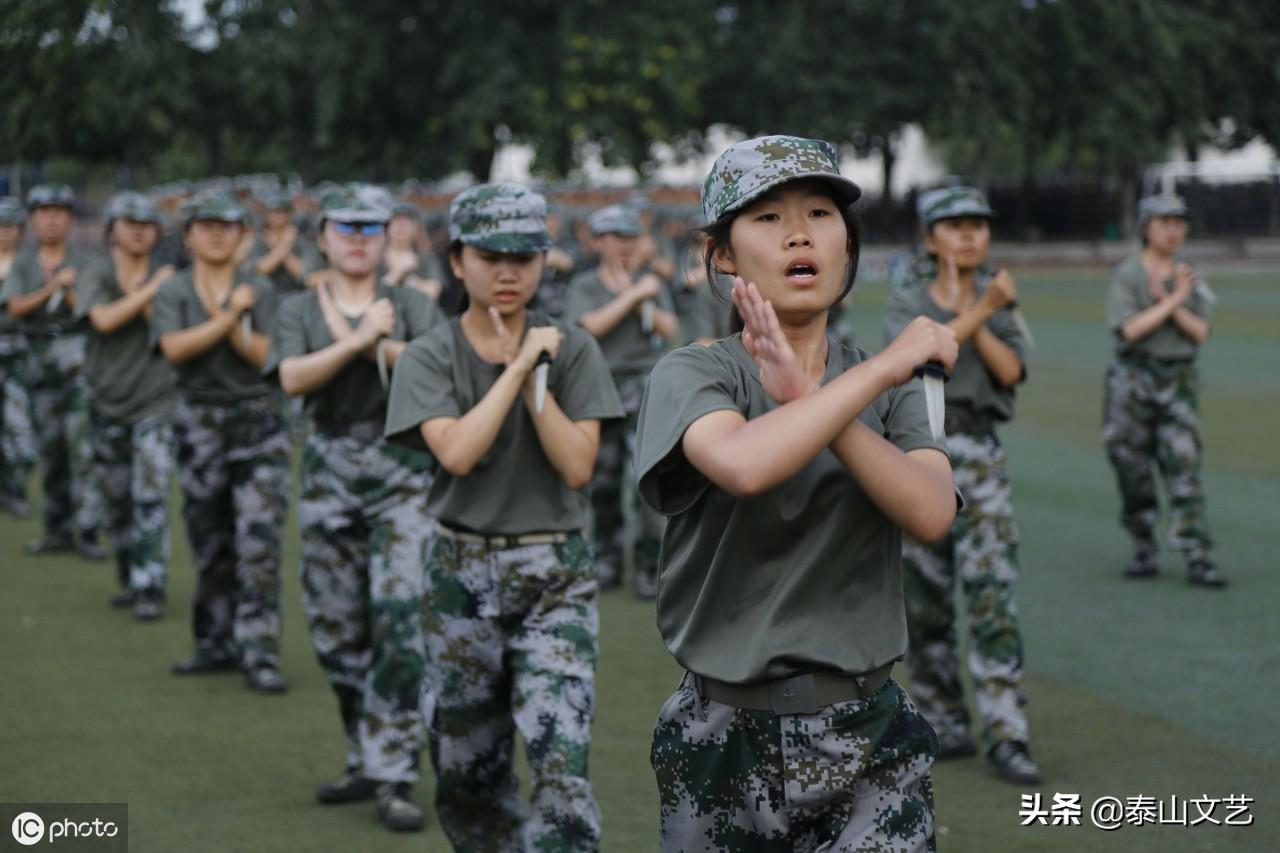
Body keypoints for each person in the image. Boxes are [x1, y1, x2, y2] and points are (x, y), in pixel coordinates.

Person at [635, 136, 959, 852]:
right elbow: (745, 464)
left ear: (847, 246)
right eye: (766, 217)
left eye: (820, 211)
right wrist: (862, 384)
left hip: (872, 731)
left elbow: (931, 511)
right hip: (724, 741)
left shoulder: (893, 382)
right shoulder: (695, 374)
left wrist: (819, 396)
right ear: (721, 254)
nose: (799, 232)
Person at [385, 183, 622, 851]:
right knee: (469, 773)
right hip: (461, 570)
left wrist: (535, 376)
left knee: (560, 763)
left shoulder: (572, 349)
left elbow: (577, 467)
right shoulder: (432, 353)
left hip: (555, 574)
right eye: (491, 255)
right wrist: (518, 366)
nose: (510, 271)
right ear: (458, 262)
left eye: (526, 255)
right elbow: (457, 452)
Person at [268, 184, 442, 832]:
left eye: (372, 226)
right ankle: (363, 753)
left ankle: (394, 773)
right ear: (323, 236)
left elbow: (431, 371)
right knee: (336, 629)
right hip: (327, 471)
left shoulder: (409, 303)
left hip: (402, 472)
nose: (360, 237)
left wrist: (372, 340)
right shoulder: (297, 307)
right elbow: (291, 377)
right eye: (347, 226)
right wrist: (356, 340)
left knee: (399, 622)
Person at [883, 186, 1042, 785]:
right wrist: (979, 309)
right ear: (929, 239)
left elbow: (1011, 370)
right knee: (924, 599)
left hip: (980, 454)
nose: (970, 235)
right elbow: (928, 359)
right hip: (921, 452)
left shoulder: (999, 304)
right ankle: (943, 720)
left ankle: (1007, 732)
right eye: (954, 225)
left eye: (979, 224)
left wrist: (981, 309)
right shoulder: (909, 302)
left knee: (992, 595)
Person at [151, 190, 290, 694]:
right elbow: (175, 350)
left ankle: (259, 651)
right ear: (188, 236)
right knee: (209, 541)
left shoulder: (264, 290)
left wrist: (235, 319)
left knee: (259, 543)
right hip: (199, 421)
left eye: (228, 225)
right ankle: (213, 642)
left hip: (259, 423)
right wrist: (230, 318)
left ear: (243, 236)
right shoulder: (174, 290)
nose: (216, 233)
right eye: (206, 224)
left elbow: (267, 358)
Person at [1103, 193, 1223, 587]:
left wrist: (1172, 301)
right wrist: (1171, 301)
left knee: (1184, 465)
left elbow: (1200, 331)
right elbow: (1130, 330)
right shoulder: (1127, 274)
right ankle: (1142, 546)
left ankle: (1197, 554)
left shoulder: (1189, 276)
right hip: (1132, 380)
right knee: (1131, 467)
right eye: (1164, 221)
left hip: (1178, 379)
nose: (1173, 230)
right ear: (1145, 228)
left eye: (1179, 222)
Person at [566, 204, 678, 598]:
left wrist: (642, 293)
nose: (625, 246)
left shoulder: (650, 283)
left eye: (631, 237)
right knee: (603, 484)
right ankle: (607, 561)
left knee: (646, 481)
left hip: (646, 390)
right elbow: (588, 328)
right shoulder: (586, 286)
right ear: (598, 243)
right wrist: (632, 296)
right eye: (616, 237)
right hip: (601, 390)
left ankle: (649, 566)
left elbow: (669, 328)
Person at [78, 192, 178, 620]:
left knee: (150, 494)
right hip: (107, 400)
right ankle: (128, 573)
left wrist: (150, 290)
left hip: (157, 401)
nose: (138, 229)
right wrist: (147, 291)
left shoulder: (171, 278)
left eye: (146, 223)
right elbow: (102, 320)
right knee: (116, 499)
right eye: (128, 222)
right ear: (112, 229)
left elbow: (166, 331)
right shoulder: (96, 272)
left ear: (157, 232)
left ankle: (150, 584)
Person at [0, 184, 106, 558]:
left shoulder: (87, 259)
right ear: (33, 219)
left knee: (83, 446)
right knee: (51, 448)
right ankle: (57, 529)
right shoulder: (25, 262)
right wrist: (51, 286)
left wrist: (71, 288)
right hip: (37, 360)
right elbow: (15, 308)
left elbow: (93, 312)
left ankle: (89, 529)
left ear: (70, 218)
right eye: (44, 212)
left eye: (59, 212)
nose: (51, 219)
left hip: (79, 359)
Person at [0, 196, 36, 518]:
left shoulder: (30, 265)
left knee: (20, 430)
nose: (3, 232)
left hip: (20, 356)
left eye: (9, 226)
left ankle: (16, 491)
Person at [382, 201, 445, 300]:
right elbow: (372, 294)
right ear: (387, 226)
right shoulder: (375, 256)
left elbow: (433, 293)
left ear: (415, 228)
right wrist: (399, 271)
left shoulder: (425, 257)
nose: (400, 226)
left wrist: (410, 280)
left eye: (406, 221)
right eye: (396, 220)